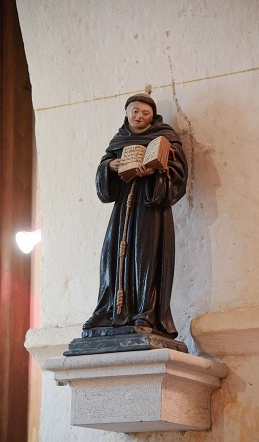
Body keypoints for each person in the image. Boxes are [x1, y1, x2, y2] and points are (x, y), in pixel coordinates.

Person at [83, 93, 188, 339]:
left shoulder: (166, 137)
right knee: (113, 256)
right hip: (122, 211)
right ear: (127, 112)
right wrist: (111, 167)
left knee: (146, 256)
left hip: (150, 209)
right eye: (135, 111)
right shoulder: (118, 140)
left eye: (145, 113)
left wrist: (156, 170)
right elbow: (103, 182)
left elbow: (178, 172)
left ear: (152, 116)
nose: (139, 116)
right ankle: (109, 310)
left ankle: (146, 311)